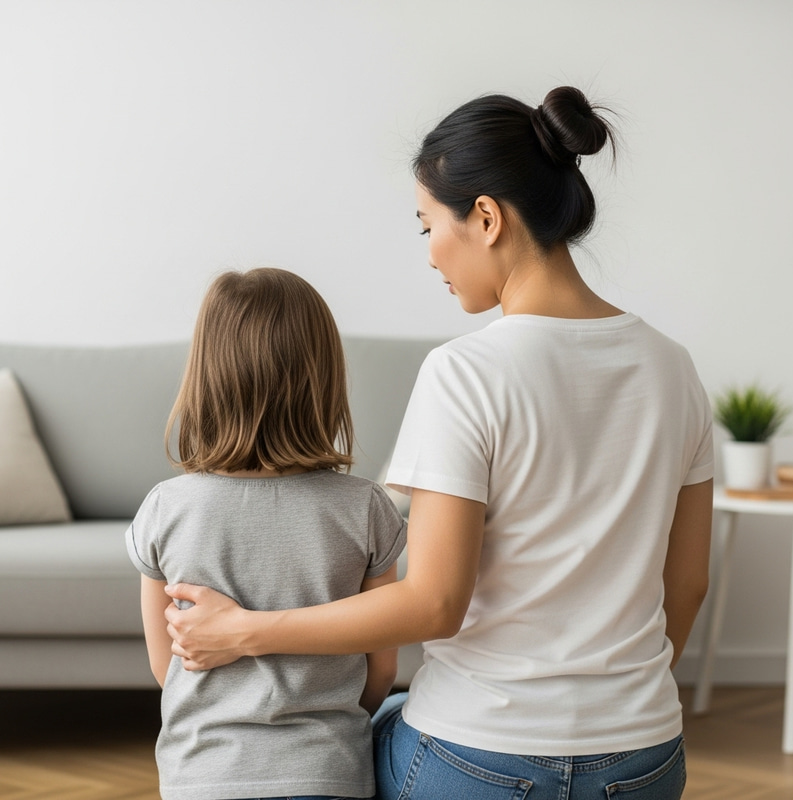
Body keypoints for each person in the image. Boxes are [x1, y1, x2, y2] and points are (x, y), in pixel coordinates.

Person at [163, 88, 714, 800]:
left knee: (349, 741)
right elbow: (688, 585)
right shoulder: (674, 367)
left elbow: (433, 605)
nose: (430, 256)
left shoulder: (466, 370)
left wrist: (244, 631)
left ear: (485, 217)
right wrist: (617, 713)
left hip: (483, 757)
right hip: (644, 758)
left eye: (428, 226)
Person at [125, 267, 407, 800]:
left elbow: (167, 668)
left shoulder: (165, 508)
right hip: (327, 772)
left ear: (204, 378)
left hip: (201, 777)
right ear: (324, 378)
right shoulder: (366, 507)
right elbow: (379, 675)